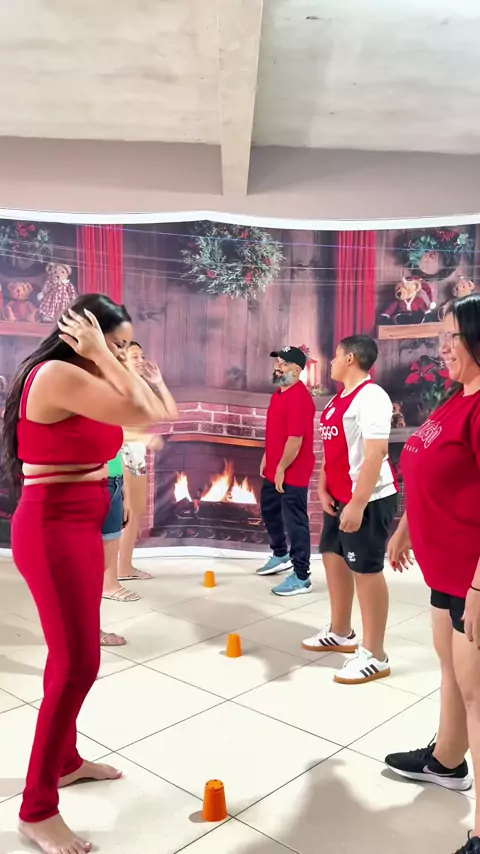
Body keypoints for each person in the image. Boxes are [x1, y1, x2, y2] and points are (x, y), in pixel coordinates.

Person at [2, 293, 174, 854]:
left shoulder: (88, 380)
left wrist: (111, 361)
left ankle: (67, 761)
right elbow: (144, 413)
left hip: (80, 518)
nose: (123, 355)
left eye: (125, 346)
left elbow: (149, 415)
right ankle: (36, 810)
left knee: (69, 656)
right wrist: (104, 356)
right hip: (53, 528)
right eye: (115, 343)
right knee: (77, 664)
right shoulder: (58, 375)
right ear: (80, 335)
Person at [385, 294, 480, 854]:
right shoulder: (454, 399)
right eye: (441, 336)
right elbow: (427, 467)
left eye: (453, 336)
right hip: (446, 571)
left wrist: (479, 586)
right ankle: (447, 760)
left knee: (477, 694)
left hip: (473, 576)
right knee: (451, 669)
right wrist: (404, 528)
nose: (442, 346)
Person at [302, 334, 397, 685]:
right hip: (339, 497)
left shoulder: (372, 397)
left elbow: (376, 454)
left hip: (368, 499)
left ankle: (376, 655)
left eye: (336, 356)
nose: (330, 361)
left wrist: (357, 503)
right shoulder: (337, 399)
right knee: (333, 557)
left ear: (351, 359)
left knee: (366, 571)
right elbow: (333, 448)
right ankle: (341, 632)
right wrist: (322, 484)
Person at [256, 346, 316, 597]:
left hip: (293, 471)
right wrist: (267, 457)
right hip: (275, 466)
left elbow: (295, 440)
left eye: (283, 363)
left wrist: (281, 467)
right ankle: (280, 554)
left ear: (298, 370)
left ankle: (302, 576)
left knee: (295, 521)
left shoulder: (300, 398)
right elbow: (276, 433)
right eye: (277, 362)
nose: (277, 367)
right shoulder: (279, 394)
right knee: (269, 510)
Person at [118, 342, 178, 580]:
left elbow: (171, 414)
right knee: (125, 513)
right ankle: (113, 570)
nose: (141, 360)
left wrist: (159, 383)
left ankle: (125, 568)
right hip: (119, 454)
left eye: (142, 356)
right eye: (135, 357)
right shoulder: (119, 388)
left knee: (137, 512)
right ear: (122, 360)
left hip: (137, 455)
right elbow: (108, 429)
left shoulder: (142, 387)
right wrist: (143, 437)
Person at [101, 451, 141, 605]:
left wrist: (127, 496)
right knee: (106, 536)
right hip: (100, 482)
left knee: (112, 534)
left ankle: (109, 583)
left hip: (116, 481)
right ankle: (108, 585)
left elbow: (119, 459)